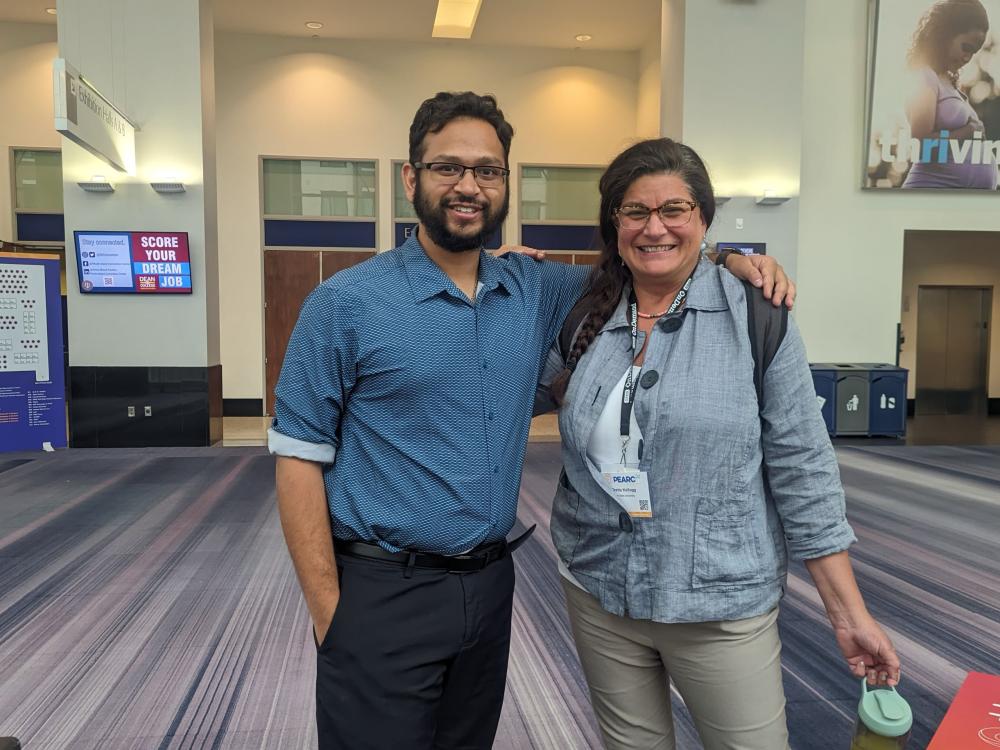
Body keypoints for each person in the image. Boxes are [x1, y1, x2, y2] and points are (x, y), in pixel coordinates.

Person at [269, 92, 792, 750]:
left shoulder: (537, 288)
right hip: (381, 592)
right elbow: (296, 459)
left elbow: (646, 256)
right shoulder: (343, 304)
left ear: (505, 183)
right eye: (447, 168)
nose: (468, 185)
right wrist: (331, 618)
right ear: (411, 178)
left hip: (489, 588)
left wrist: (732, 258)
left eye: (488, 170)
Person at [539, 137, 901, 750]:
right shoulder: (583, 313)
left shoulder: (757, 315)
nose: (655, 227)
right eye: (636, 211)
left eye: (673, 210)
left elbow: (803, 467)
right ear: (615, 224)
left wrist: (848, 612)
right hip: (599, 585)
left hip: (718, 598)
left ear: (702, 218)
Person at [902, 0, 996, 189]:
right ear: (945, 36)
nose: (968, 58)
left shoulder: (946, 82)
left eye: (974, 52)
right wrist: (968, 132)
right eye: (966, 47)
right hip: (928, 197)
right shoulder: (925, 77)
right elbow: (922, 146)